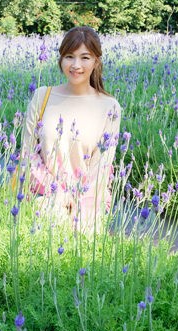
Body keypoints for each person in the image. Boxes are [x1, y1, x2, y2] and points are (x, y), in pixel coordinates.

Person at [20, 26, 121, 228]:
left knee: (84, 245)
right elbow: (27, 153)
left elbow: (101, 166)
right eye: (69, 56)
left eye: (85, 57)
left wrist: (80, 202)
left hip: (89, 200)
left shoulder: (110, 107)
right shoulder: (42, 96)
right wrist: (58, 192)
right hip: (45, 195)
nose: (76, 65)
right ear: (61, 59)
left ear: (96, 61)